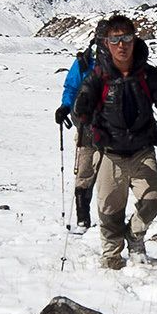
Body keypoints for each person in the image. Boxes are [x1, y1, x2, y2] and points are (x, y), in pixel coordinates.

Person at [68, 15, 157, 269]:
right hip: (109, 153)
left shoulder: (150, 75)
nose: (121, 44)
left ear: (135, 39)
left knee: (152, 199)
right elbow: (82, 104)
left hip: (142, 151)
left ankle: (135, 235)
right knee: (110, 211)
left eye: (127, 38)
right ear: (107, 43)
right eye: (115, 39)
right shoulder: (98, 76)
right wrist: (83, 115)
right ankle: (111, 255)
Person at [54, 33, 102, 230]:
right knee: (85, 170)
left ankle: (106, 218)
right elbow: (71, 87)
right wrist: (65, 106)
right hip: (86, 125)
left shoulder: (117, 63)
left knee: (109, 172)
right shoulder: (84, 63)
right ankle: (83, 218)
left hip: (111, 127)